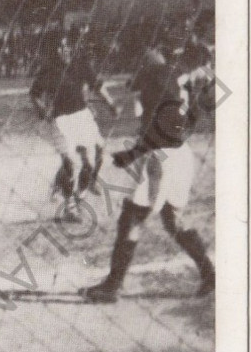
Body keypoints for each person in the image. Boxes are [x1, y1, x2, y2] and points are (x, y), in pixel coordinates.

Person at [81, 47, 215, 303]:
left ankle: (112, 286)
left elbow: (161, 131)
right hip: (180, 155)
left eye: (140, 67)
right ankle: (209, 272)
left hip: (160, 158)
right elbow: (186, 119)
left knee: (131, 217)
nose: (137, 77)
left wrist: (128, 156)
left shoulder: (156, 82)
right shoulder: (175, 79)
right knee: (172, 220)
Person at [30, 35, 117, 221]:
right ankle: (70, 207)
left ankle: (79, 196)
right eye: (60, 47)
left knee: (91, 163)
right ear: (55, 51)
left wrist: (110, 104)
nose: (65, 50)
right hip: (61, 120)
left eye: (67, 46)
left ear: (73, 47)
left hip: (82, 116)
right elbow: (34, 93)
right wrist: (41, 109)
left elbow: (97, 86)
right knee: (70, 163)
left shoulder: (81, 65)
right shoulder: (49, 70)